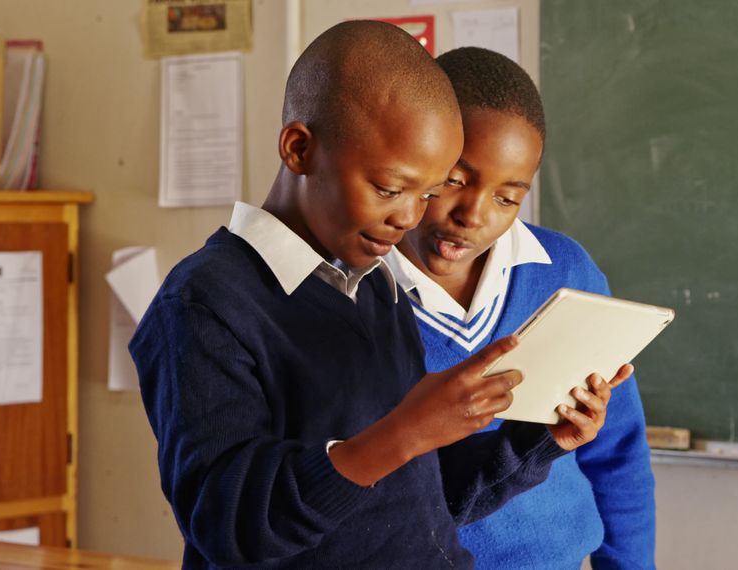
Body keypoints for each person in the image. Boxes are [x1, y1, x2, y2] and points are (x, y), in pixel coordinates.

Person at [131, 22, 623, 569]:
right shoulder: (203, 306)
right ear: (299, 149)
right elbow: (232, 528)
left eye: (428, 193)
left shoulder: (370, 287)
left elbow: (421, 505)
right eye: (390, 189)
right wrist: (407, 430)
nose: (409, 217)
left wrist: (537, 439)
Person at [387, 47, 656, 569]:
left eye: (507, 197)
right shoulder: (350, 289)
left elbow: (619, 453)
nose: (474, 215)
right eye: (455, 180)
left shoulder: (565, 274)